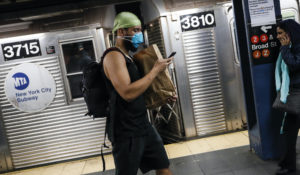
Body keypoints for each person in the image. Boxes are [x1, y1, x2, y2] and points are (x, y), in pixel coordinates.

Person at [102, 12, 174, 175]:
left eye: (140, 30)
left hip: (142, 124)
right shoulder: (113, 56)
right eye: (135, 30)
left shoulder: (129, 57)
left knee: (163, 165)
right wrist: (155, 69)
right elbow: (127, 93)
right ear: (121, 32)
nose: (139, 35)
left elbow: (139, 89)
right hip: (125, 131)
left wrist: (162, 97)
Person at [275, 19, 300, 175]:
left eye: (280, 33)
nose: (278, 37)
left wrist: (285, 49)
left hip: (298, 94)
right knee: (288, 132)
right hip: (294, 93)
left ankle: (289, 166)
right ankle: (287, 163)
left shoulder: (295, 47)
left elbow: (294, 65)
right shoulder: (291, 47)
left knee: (289, 132)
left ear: (289, 34)